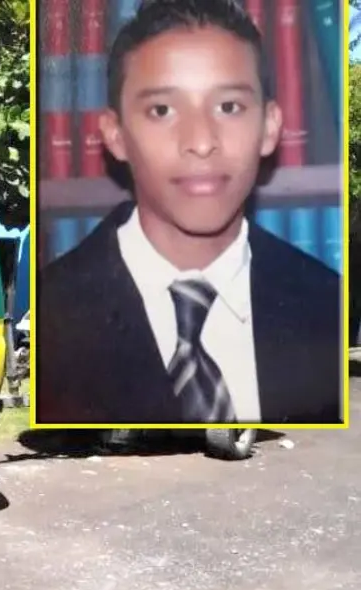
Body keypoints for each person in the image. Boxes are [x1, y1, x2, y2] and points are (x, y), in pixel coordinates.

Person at [34, 0, 341, 425]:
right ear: (115, 135)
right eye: (162, 110)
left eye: (229, 106)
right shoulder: (52, 316)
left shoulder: (329, 304)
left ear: (270, 127)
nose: (200, 141)